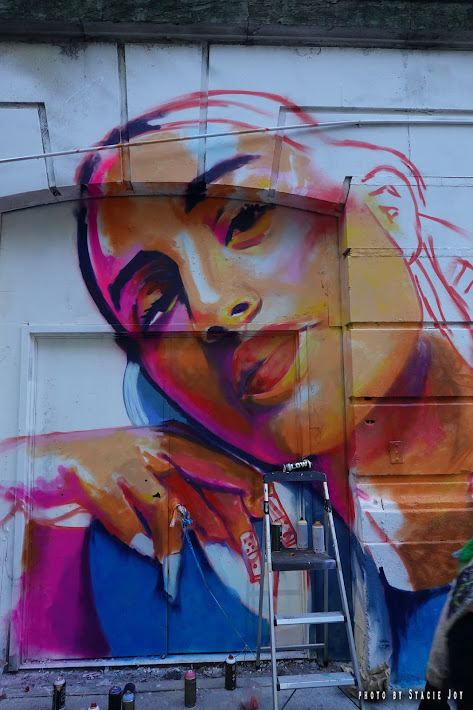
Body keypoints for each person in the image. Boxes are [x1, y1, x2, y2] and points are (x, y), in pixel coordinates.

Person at [2, 91, 473, 672]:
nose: (209, 307)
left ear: (389, 204)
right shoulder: (143, 558)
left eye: (246, 217)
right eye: (157, 300)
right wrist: (32, 470)